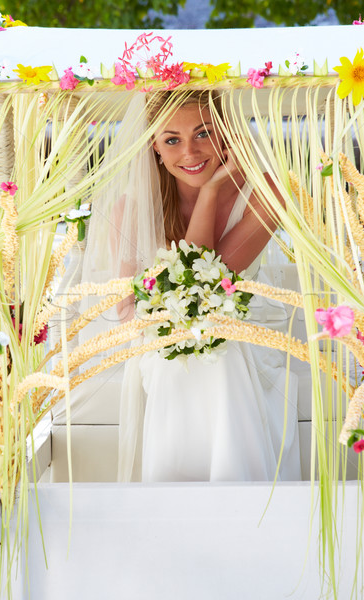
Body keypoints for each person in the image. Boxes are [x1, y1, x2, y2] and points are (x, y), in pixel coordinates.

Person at [82, 89, 301, 483]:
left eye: (203, 134)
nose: (190, 152)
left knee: (220, 352)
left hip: (245, 335)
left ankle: (232, 500)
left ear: (225, 134)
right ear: (155, 147)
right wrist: (211, 189)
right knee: (184, 359)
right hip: (160, 342)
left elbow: (208, 280)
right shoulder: (130, 208)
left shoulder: (266, 192)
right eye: (172, 140)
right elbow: (127, 310)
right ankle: (183, 502)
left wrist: (214, 188)